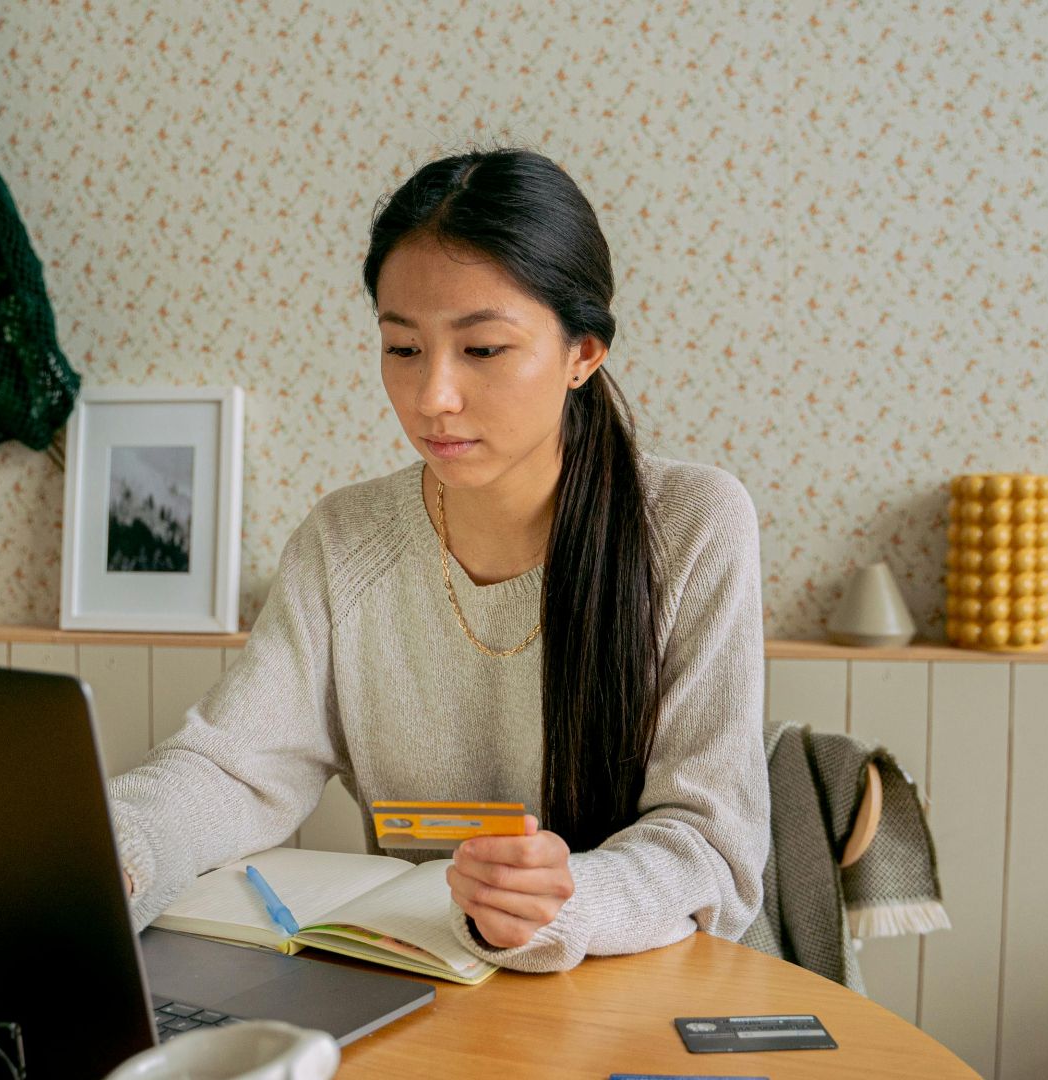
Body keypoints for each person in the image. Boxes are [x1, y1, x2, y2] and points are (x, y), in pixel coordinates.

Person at [109, 148, 768, 972]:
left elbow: (710, 843)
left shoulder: (692, 525)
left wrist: (566, 902)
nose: (433, 398)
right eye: (404, 349)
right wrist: (110, 848)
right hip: (430, 990)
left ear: (583, 353)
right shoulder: (344, 539)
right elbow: (235, 771)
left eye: (483, 350)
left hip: (646, 990)